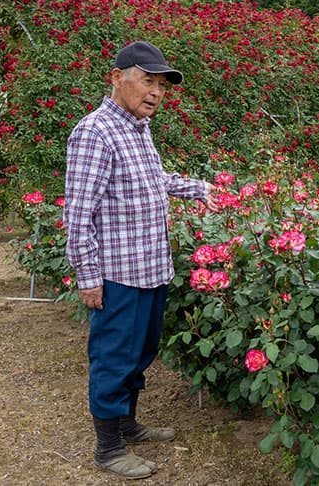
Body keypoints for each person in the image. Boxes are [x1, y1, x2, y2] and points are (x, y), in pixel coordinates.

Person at [64, 40, 219, 479]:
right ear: (118, 78)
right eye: (147, 81)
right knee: (114, 358)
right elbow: (78, 214)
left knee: (141, 352)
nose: (156, 92)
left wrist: (202, 189)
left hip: (151, 269)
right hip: (118, 276)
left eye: (161, 85)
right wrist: (88, 278)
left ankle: (127, 424)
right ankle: (108, 449)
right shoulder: (95, 132)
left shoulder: (137, 128)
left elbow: (154, 180)